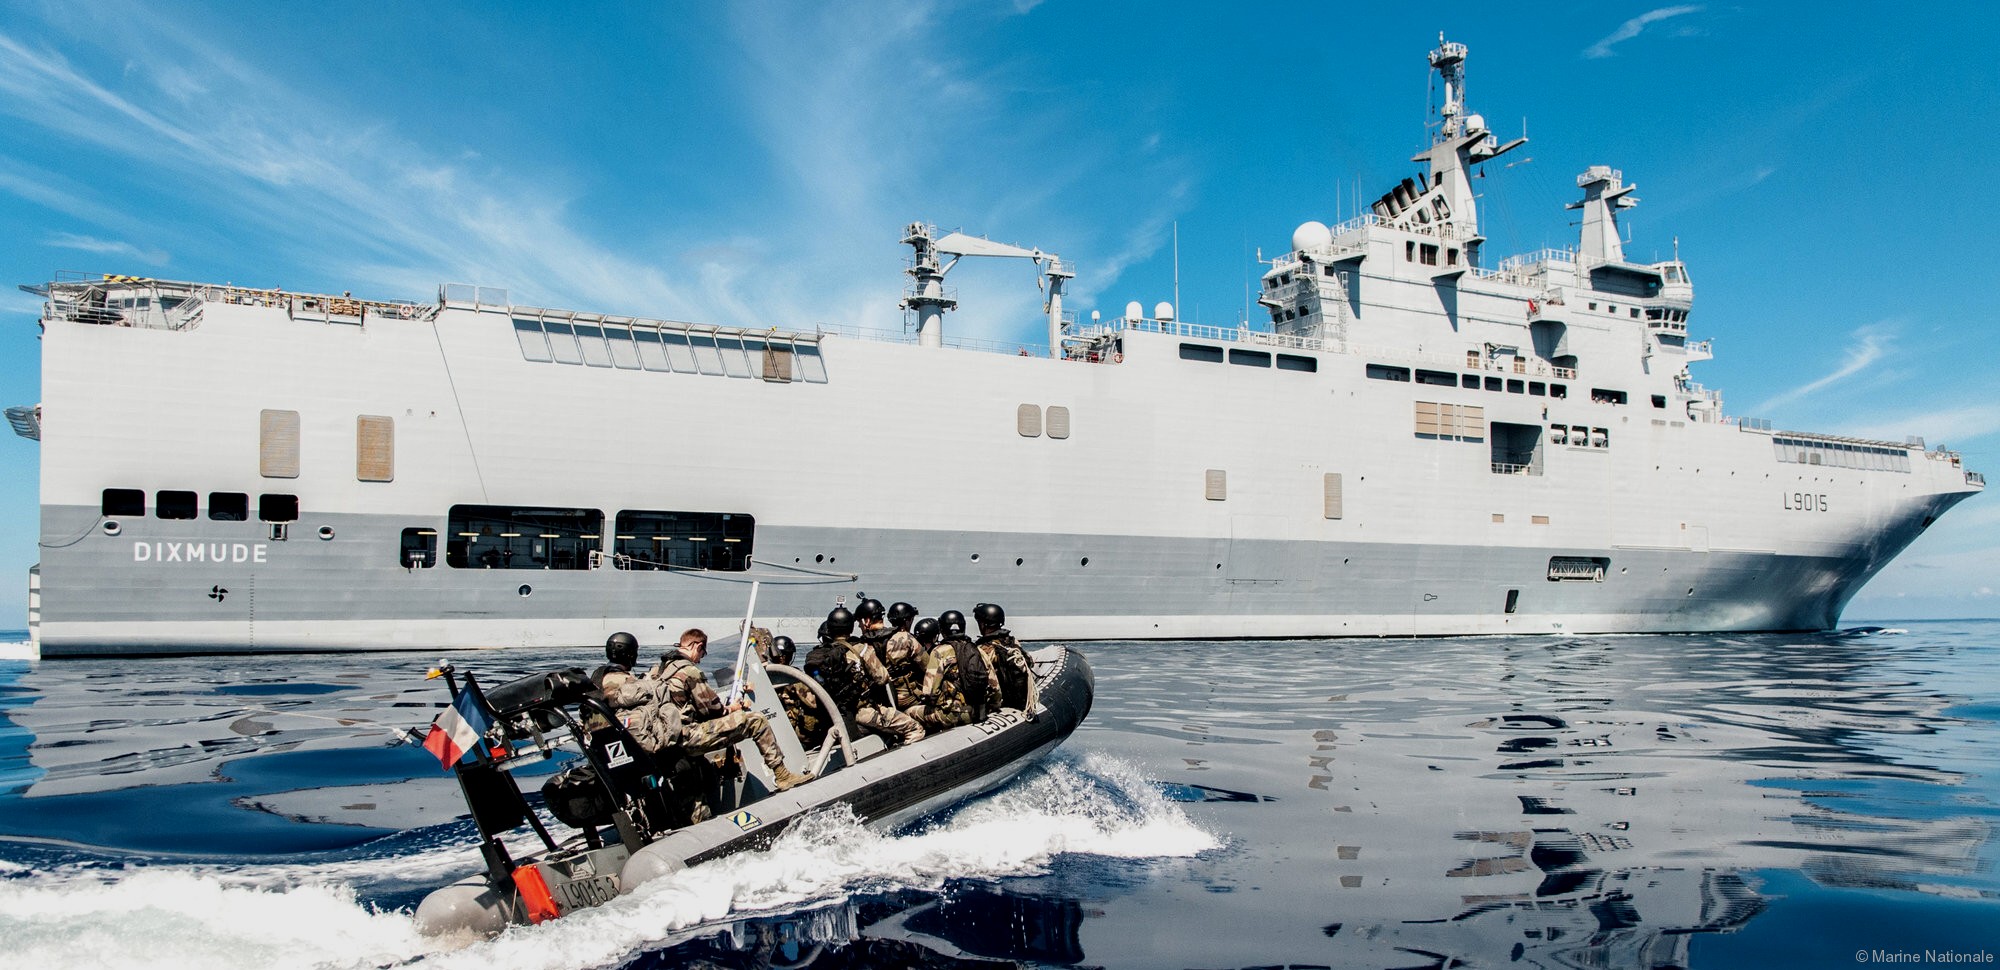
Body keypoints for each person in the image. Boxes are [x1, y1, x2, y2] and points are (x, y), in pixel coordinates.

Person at [648, 628, 810, 791]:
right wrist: (733, 707)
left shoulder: (660, 670)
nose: (699, 660)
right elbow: (712, 710)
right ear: (697, 646)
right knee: (756, 721)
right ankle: (783, 776)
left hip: (669, 740)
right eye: (702, 654)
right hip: (689, 737)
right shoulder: (688, 671)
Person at [804, 606, 925, 747]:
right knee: (915, 728)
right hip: (861, 711)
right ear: (850, 628)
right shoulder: (860, 649)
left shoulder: (817, 656)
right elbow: (882, 677)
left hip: (829, 713)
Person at [590, 632, 684, 756]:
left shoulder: (597, 676)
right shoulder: (624, 680)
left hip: (600, 740)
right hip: (623, 742)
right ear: (631, 654)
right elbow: (649, 696)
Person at [903, 617, 971, 731]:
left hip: (948, 710)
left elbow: (929, 692)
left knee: (906, 714)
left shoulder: (937, 653)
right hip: (973, 708)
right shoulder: (971, 650)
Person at [936, 609, 1000, 722]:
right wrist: (994, 706)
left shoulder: (939, 652)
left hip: (953, 713)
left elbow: (929, 692)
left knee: (911, 712)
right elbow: (994, 686)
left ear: (942, 629)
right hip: (978, 712)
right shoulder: (977, 650)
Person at [973, 603, 1035, 710]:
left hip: (1002, 700)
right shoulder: (1012, 641)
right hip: (1019, 699)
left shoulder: (984, 649)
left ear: (984, 624)